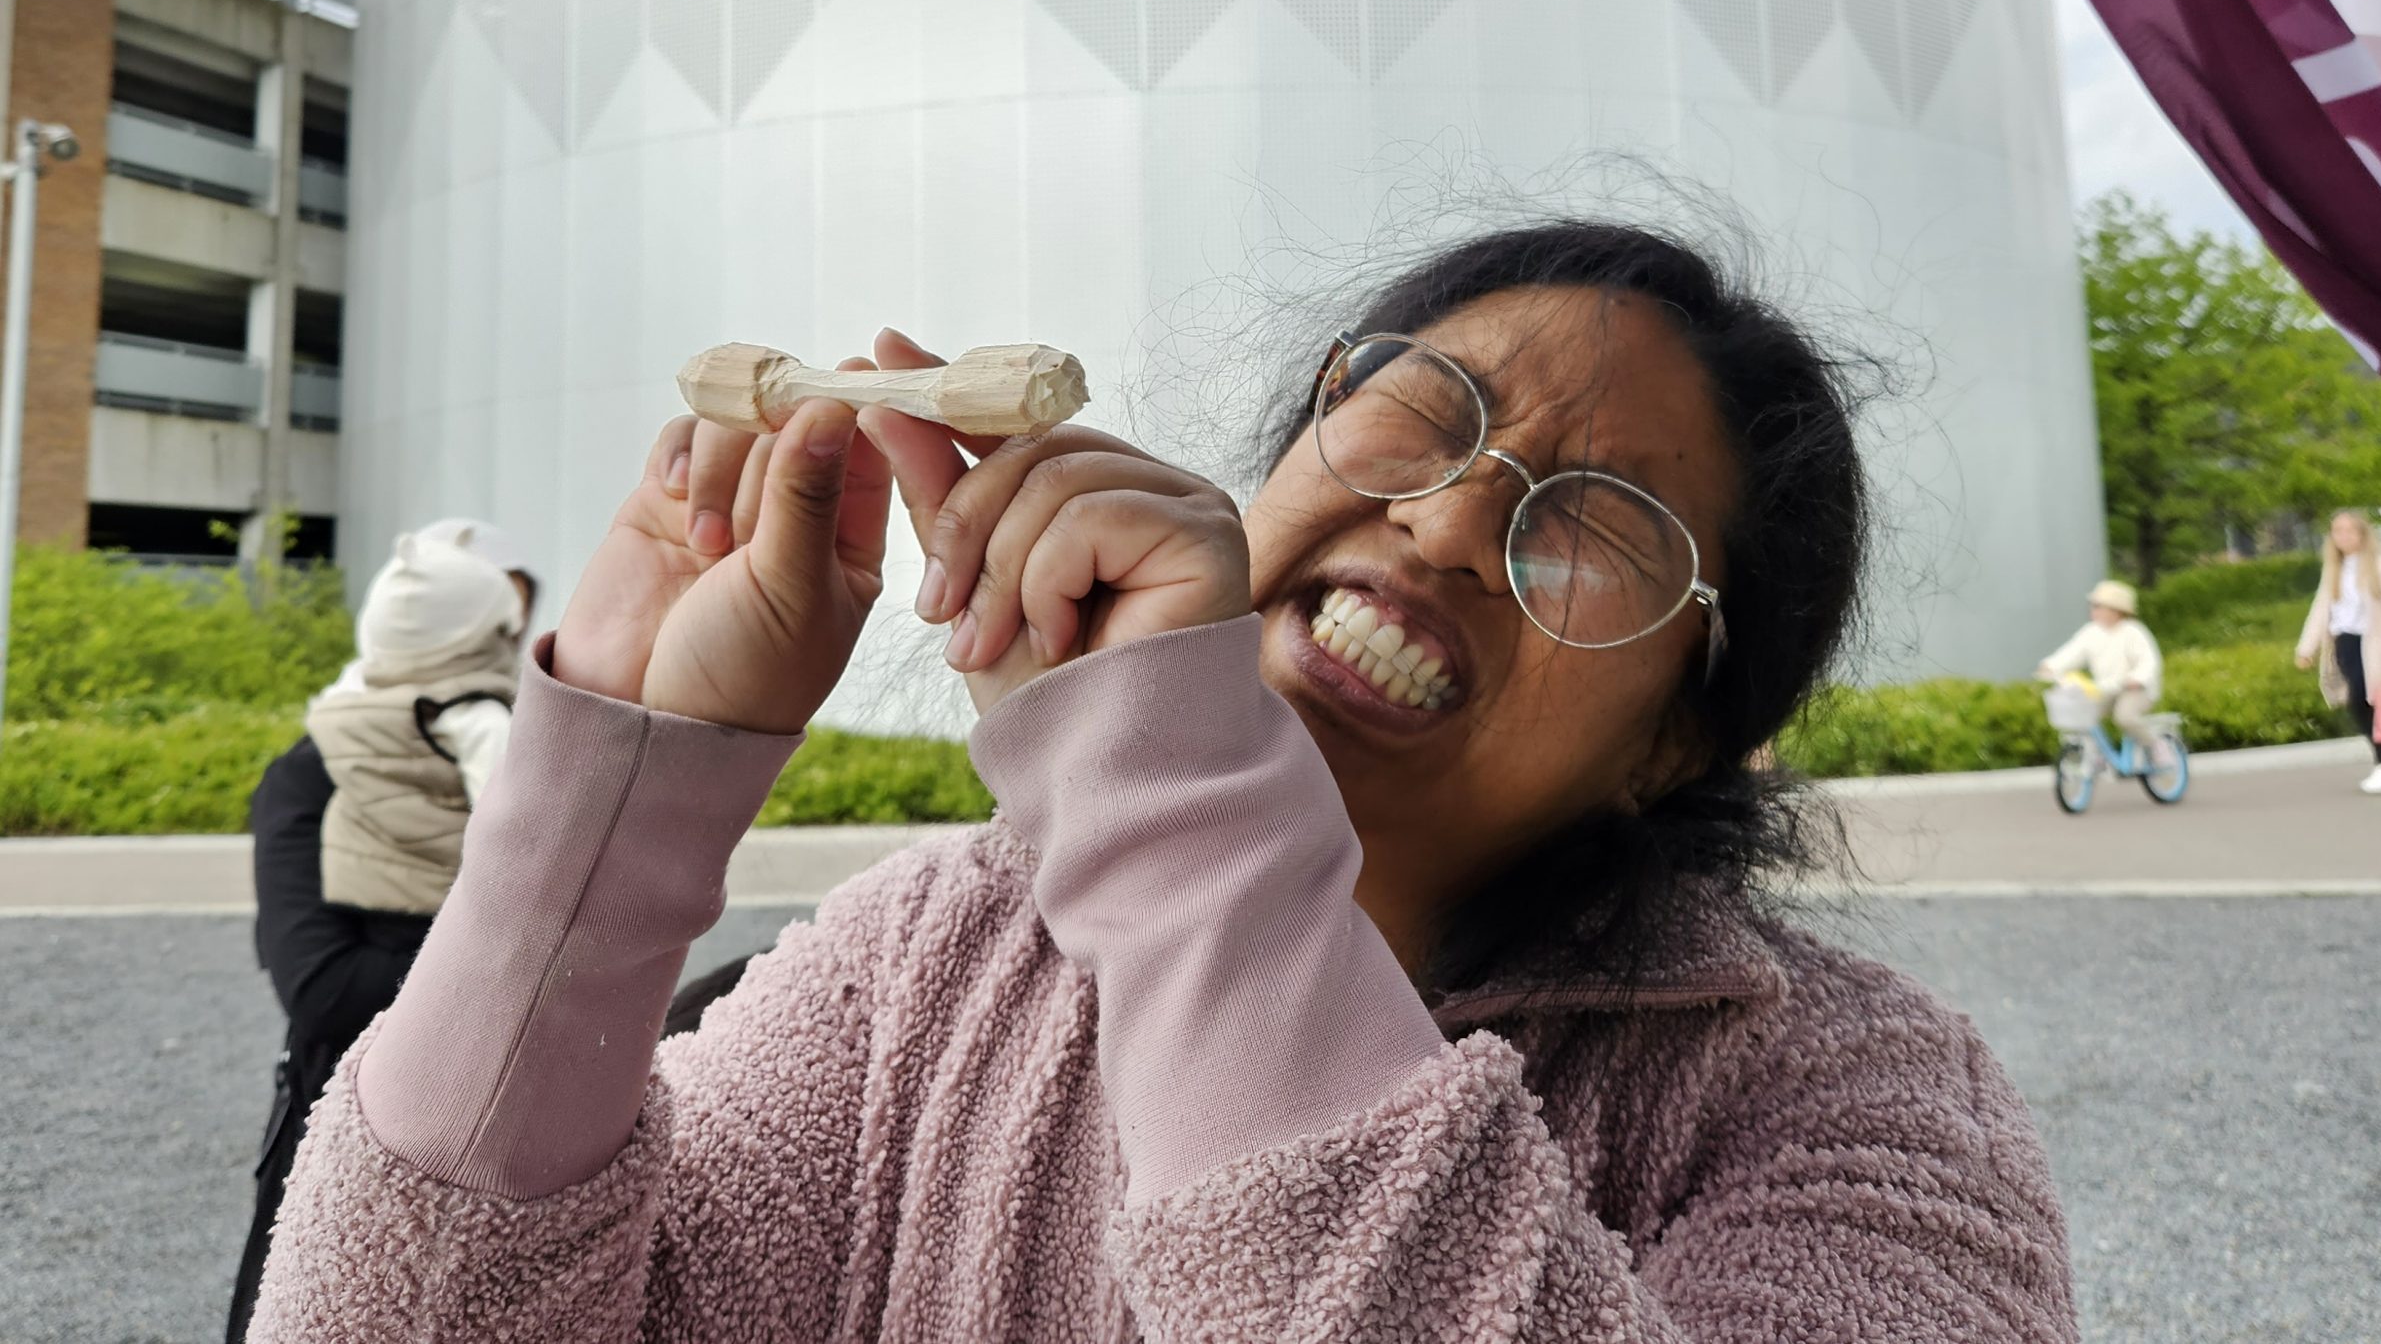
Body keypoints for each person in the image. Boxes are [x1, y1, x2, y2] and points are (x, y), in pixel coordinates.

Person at [246, 224, 2075, 1342]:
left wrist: (1183, 817)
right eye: (1420, 413)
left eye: (1595, 523)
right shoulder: (928, 959)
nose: (1448, 519)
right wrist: (616, 799)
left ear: (1687, 730)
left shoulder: (1858, 1104)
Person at [223, 523, 534, 1344]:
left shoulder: (510, 750)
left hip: (512, 1126)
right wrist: (507, 971)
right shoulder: (314, 772)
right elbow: (323, 988)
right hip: (349, 1120)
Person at [2295, 508, 2381, 795]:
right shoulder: (2334, 569)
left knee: (2369, 702)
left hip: (2375, 645)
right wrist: (2306, 648)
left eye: (2350, 530)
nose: (2343, 536)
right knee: (2359, 703)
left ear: (2363, 534)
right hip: (2345, 643)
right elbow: (2321, 610)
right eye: (2337, 531)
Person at [2036, 577, 2167, 758]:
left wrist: (2138, 678)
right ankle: (2095, 757)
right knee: (2084, 718)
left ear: (2116, 611)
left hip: (2136, 690)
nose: (2094, 610)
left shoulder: (2133, 632)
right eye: (2093, 606)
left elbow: (2149, 661)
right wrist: (2051, 666)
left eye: (2098, 606)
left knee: (2125, 717)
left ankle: (2156, 746)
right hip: (2106, 689)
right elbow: (2071, 653)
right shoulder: (2091, 632)